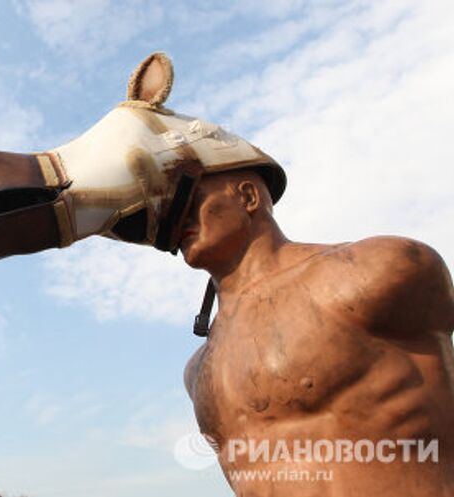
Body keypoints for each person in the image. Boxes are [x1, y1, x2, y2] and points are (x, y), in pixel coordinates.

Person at [181, 168, 454, 496]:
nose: (178, 221)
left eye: (191, 201)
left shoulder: (376, 271)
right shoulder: (198, 370)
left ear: (248, 197)